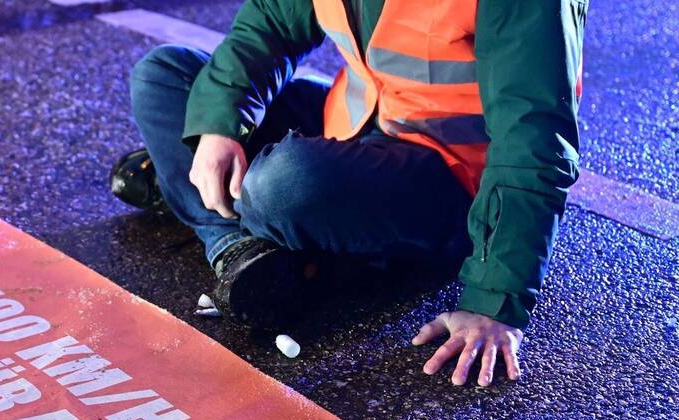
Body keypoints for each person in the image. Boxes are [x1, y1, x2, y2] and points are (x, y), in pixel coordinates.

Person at [109, 0, 586, 386]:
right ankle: (239, 250)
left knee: (282, 184)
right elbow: (271, 23)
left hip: (454, 181)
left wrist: (494, 302)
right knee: (165, 75)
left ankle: (209, 205)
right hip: (358, 129)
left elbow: (534, 144)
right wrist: (220, 126)